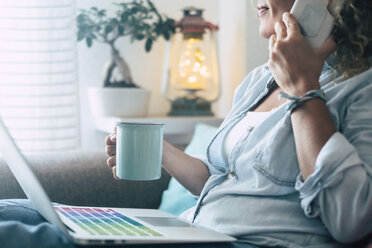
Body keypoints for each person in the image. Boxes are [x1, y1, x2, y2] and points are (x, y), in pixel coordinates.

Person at [0, 0, 371, 247]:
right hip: (195, 228)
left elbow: (349, 218)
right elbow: (223, 179)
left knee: (18, 236)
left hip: (250, 242)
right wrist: (162, 153)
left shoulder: (360, 88)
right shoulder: (262, 78)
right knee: (12, 210)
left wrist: (304, 89)